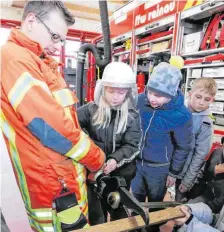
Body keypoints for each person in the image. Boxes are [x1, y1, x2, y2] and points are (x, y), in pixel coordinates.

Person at [0, 1, 105, 231]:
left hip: (62, 181)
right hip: (52, 186)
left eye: (61, 40)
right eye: (55, 36)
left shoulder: (39, 62)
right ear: (31, 21)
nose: (57, 46)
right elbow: (51, 127)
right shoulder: (16, 60)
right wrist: (96, 158)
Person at [77, 62, 141, 225]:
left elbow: (133, 146)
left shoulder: (133, 116)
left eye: (120, 92)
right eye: (111, 91)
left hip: (121, 175)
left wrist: (114, 160)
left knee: (119, 215)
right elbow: (71, 124)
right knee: (96, 214)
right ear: (102, 89)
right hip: (93, 174)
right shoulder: (90, 110)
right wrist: (86, 141)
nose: (115, 96)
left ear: (128, 92)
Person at [131, 62, 192, 203]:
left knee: (155, 203)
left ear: (170, 95)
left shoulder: (181, 115)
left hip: (159, 169)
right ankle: (136, 224)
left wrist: (173, 173)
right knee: (135, 200)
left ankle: (153, 226)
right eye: (150, 92)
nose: (152, 98)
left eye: (158, 96)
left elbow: (183, 147)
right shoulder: (140, 100)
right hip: (137, 164)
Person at [176, 78, 217, 201]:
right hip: (166, 166)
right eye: (198, 97)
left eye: (207, 99)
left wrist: (188, 181)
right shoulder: (177, 109)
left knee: (179, 205)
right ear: (190, 94)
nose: (201, 103)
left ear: (212, 100)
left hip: (184, 173)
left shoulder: (206, 123)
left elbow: (200, 154)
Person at [173, 145, 224, 231]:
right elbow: (204, 175)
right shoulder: (217, 152)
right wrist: (191, 207)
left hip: (217, 205)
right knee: (181, 213)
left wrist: (189, 222)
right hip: (208, 198)